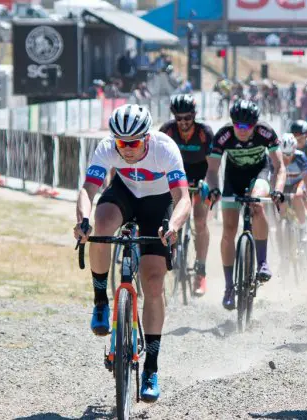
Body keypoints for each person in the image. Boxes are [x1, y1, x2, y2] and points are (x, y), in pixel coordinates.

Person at [74, 104, 192, 402]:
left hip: (158, 205)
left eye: (133, 143)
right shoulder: (106, 147)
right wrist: (82, 221)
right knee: (101, 224)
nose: (126, 149)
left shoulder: (165, 148)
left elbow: (183, 199)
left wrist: (174, 226)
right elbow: (88, 190)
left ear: (147, 139)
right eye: (120, 143)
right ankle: (101, 299)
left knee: (153, 284)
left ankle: (151, 368)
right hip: (124, 194)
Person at [206, 100, 286, 309]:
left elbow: (279, 167)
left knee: (256, 204)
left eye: (246, 126)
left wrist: (277, 189)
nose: (241, 130)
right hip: (233, 178)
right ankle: (229, 286)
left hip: (259, 173)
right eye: (237, 125)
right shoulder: (223, 135)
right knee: (228, 231)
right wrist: (214, 189)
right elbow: (213, 170)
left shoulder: (266, 133)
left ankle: (262, 262)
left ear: (254, 125)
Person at [159, 94, 214, 296]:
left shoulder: (204, 133)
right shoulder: (167, 130)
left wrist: (208, 183)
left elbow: (213, 165)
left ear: (194, 116)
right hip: (175, 178)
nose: (183, 122)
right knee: (167, 219)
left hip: (200, 178)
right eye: (178, 118)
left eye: (187, 118)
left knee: (200, 222)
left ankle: (200, 271)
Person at [278, 133, 307, 241]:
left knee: (297, 196)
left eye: (289, 154)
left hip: (297, 183)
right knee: (281, 205)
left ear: (294, 150)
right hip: (283, 184)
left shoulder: (300, 157)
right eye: (284, 154)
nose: (286, 157)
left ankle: (303, 228)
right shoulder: (276, 157)